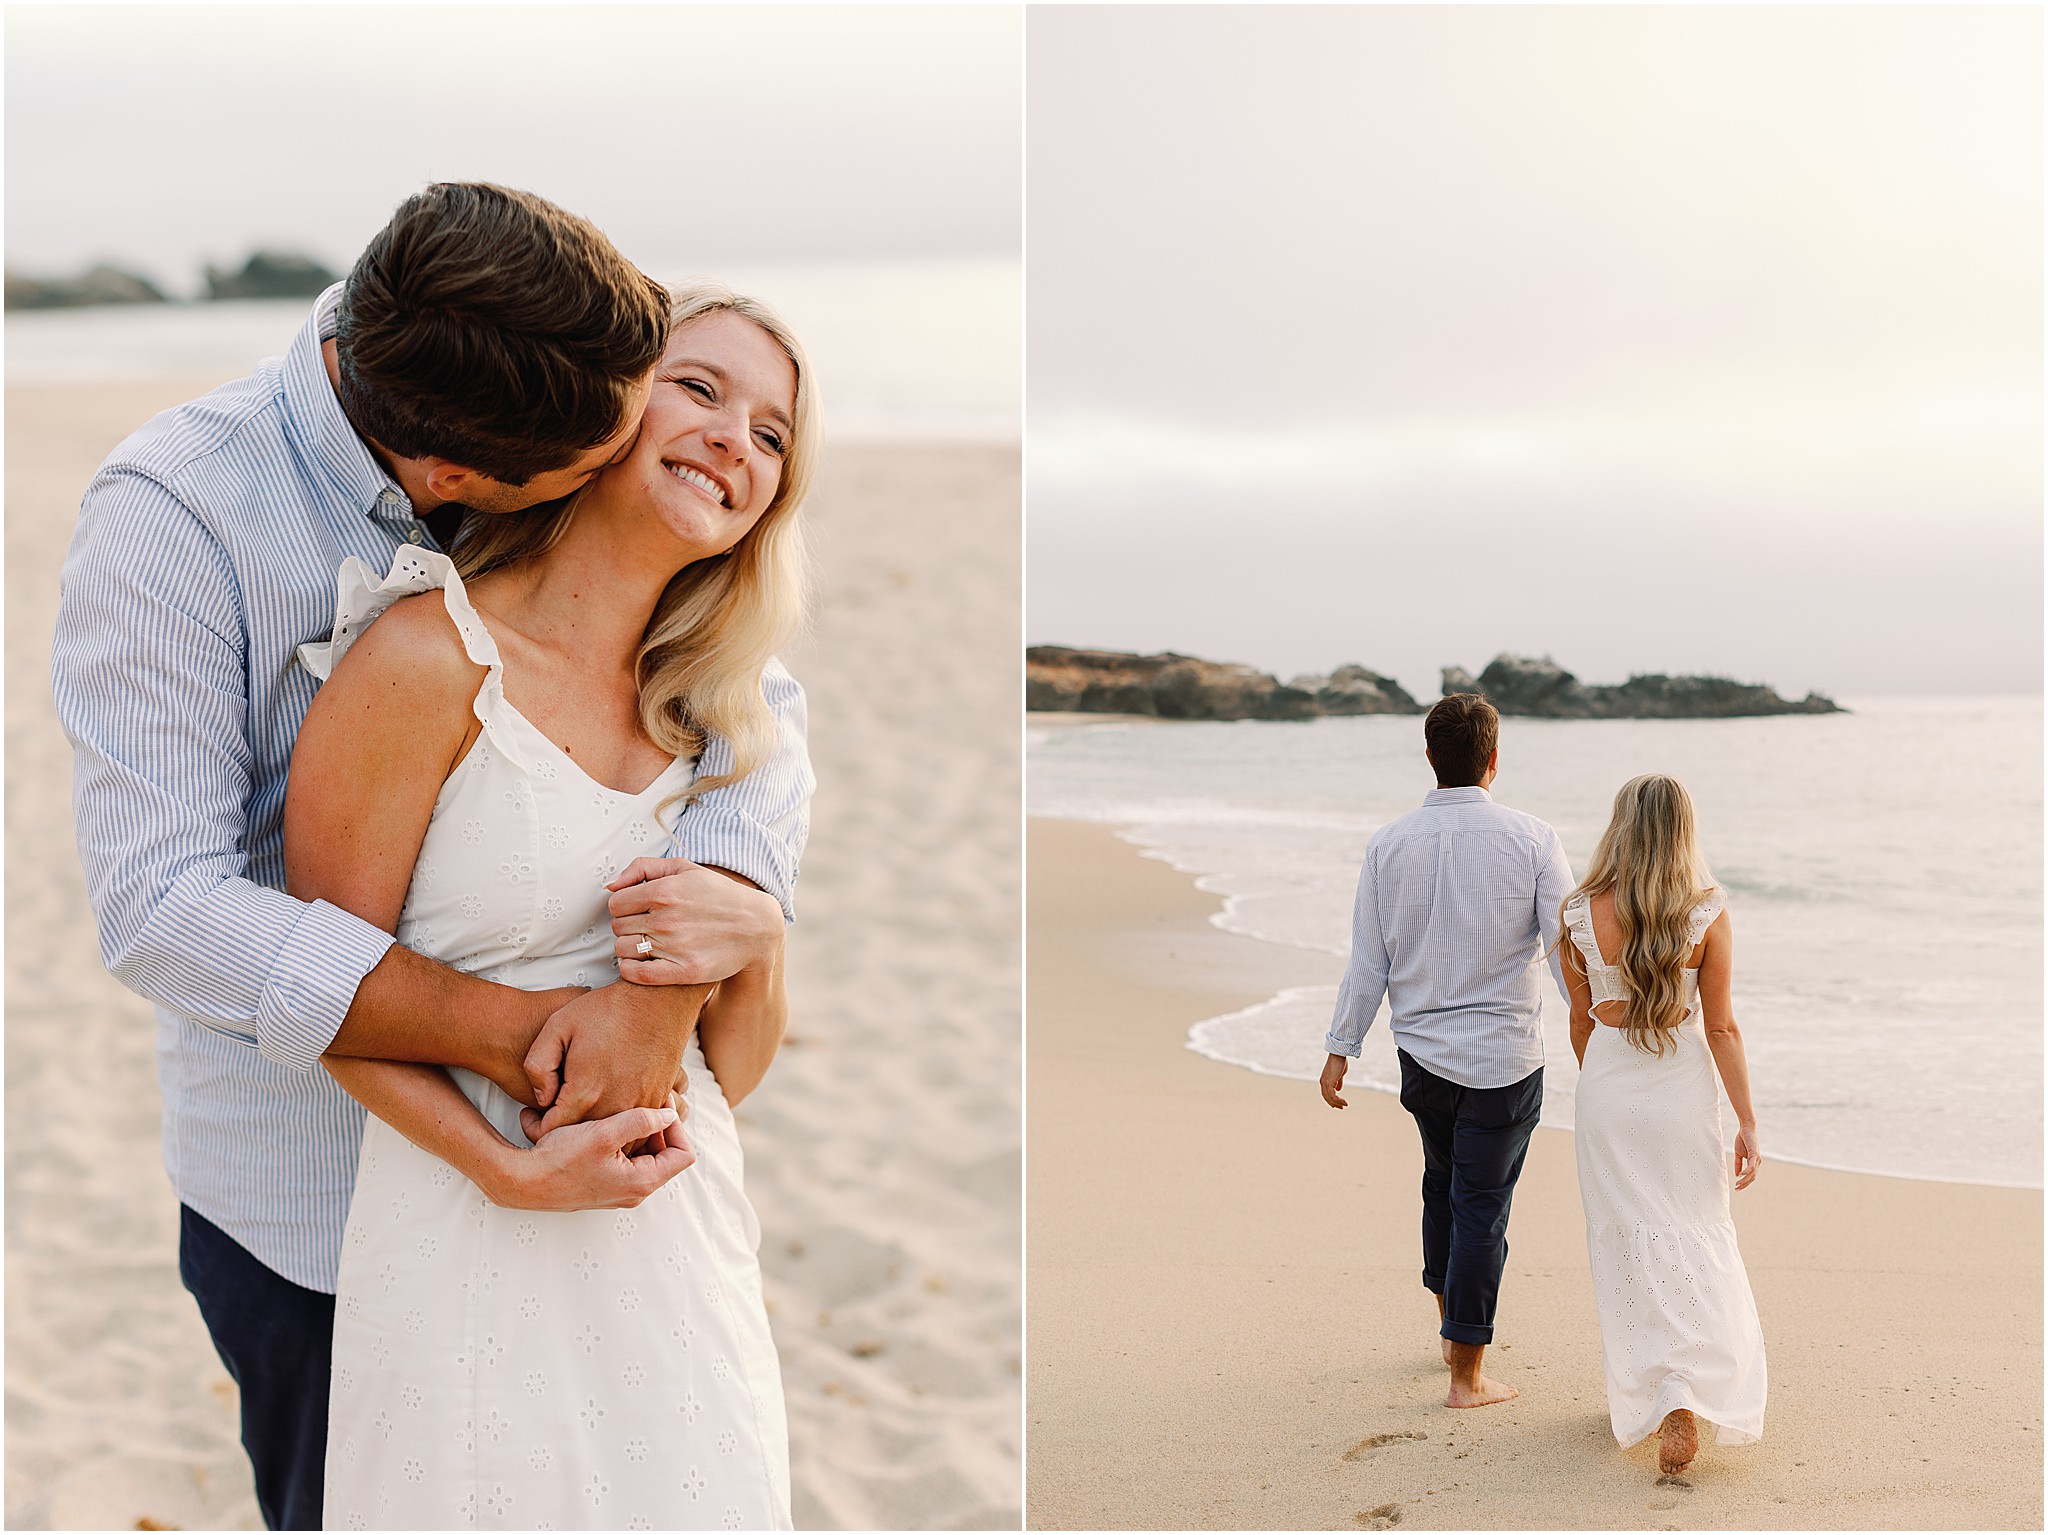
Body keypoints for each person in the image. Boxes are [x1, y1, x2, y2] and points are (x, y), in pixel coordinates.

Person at [52, 184, 811, 1531]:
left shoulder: (513, 359)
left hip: (632, 1223)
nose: (676, 436)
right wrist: (537, 1037)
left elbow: (755, 713)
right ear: (458, 488)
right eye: (674, 396)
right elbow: (163, 907)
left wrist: (694, 954)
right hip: (311, 1198)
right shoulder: (182, 514)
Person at [292, 282, 811, 1529]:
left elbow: (728, 1069)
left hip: (672, 1231)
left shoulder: (735, 716)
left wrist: (759, 941)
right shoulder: (424, 655)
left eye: (774, 432)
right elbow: (318, 982)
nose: (736, 438)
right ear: (604, 410)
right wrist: (502, 1169)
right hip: (463, 1213)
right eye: (699, 387)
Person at [1318, 693, 1573, 1408]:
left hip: (1422, 1056)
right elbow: (1565, 947)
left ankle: (1448, 1330)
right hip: (1504, 1059)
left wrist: (1341, 1047)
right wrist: (1595, 1031)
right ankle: (1467, 1376)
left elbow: (1368, 960)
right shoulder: (1532, 837)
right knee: (1480, 1205)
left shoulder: (1389, 844)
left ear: (1430, 757)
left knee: (1443, 1185)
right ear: (1494, 759)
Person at [1558, 773, 1766, 1475]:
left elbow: (1581, 1023)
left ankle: (1652, 1387)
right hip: (1682, 1088)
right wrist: (1747, 1120)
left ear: (1620, 826)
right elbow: (1723, 1026)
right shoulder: (1706, 913)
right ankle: (1684, 1390)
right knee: (1696, 1232)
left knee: (1626, 1243)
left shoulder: (1579, 914)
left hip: (1609, 1089)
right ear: (1684, 830)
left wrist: (1604, 1088)